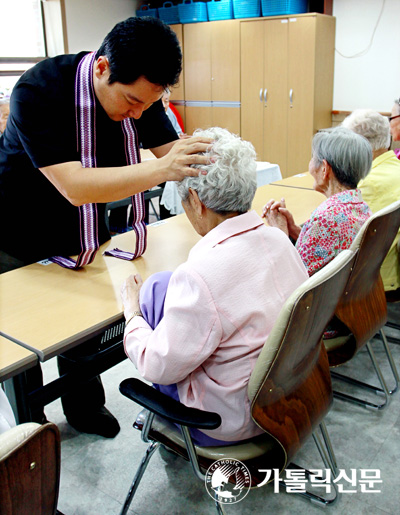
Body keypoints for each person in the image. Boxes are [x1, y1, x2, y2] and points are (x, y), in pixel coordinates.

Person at [0, 17, 212, 438]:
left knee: (83, 326)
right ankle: (31, 427)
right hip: (17, 226)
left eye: (148, 105)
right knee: (23, 342)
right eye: (132, 102)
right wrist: (161, 170)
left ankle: (83, 408)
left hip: (83, 225)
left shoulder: (141, 97)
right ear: (101, 68)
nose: (138, 113)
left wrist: (216, 162)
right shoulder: (38, 91)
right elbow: (76, 187)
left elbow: (174, 154)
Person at [120, 127, 308, 445]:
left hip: (230, 421)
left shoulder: (200, 275)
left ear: (196, 200)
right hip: (289, 396)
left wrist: (132, 314)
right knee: (163, 285)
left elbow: (156, 365)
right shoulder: (279, 239)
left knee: (151, 296)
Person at [262, 127, 372, 277]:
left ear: (325, 169)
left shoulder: (326, 219)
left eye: (313, 158)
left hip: (314, 299)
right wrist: (295, 231)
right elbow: (329, 248)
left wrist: (279, 233)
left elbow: (292, 277)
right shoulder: (361, 207)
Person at [342, 109, 400, 292]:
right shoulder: (395, 168)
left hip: (372, 279)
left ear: (361, 145)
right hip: (391, 271)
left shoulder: (367, 184)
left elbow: (343, 244)